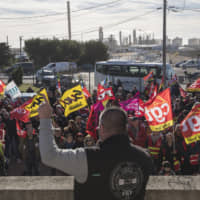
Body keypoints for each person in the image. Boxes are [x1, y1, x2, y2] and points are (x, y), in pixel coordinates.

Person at [38, 97, 153, 200]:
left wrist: (44, 119)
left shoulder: (87, 157)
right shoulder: (145, 157)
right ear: (125, 128)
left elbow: (49, 156)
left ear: (101, 128)